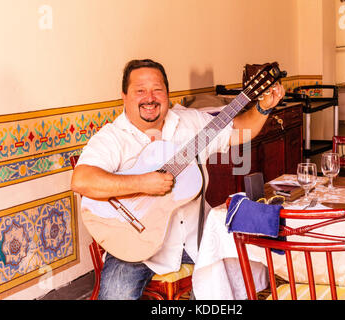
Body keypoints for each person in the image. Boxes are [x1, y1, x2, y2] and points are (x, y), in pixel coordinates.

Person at [71, 59, 285, 299]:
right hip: (136, 242)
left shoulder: (190, 123)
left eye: (157, 90)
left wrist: (264, 107)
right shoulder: (112, 137)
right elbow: (82, 180)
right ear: (124, 96)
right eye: (140, 90)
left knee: (251, 263)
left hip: (198, 237)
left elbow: (239, 130)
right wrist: (142, 183)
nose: (149, 98)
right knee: (115, 295)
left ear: (167, 93)